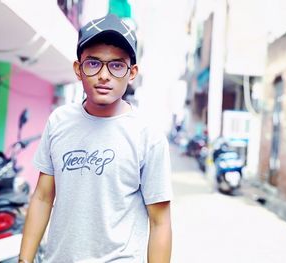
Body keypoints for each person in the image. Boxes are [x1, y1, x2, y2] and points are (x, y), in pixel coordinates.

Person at [19, 13, 172, 263]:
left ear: (131, 72)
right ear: (78, 69)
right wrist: (24, 259)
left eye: (116, 65)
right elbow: (43, 197)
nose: (104, 75)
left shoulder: (148, 136)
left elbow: (160, 221)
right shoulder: (59, 122)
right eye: (93, 63)